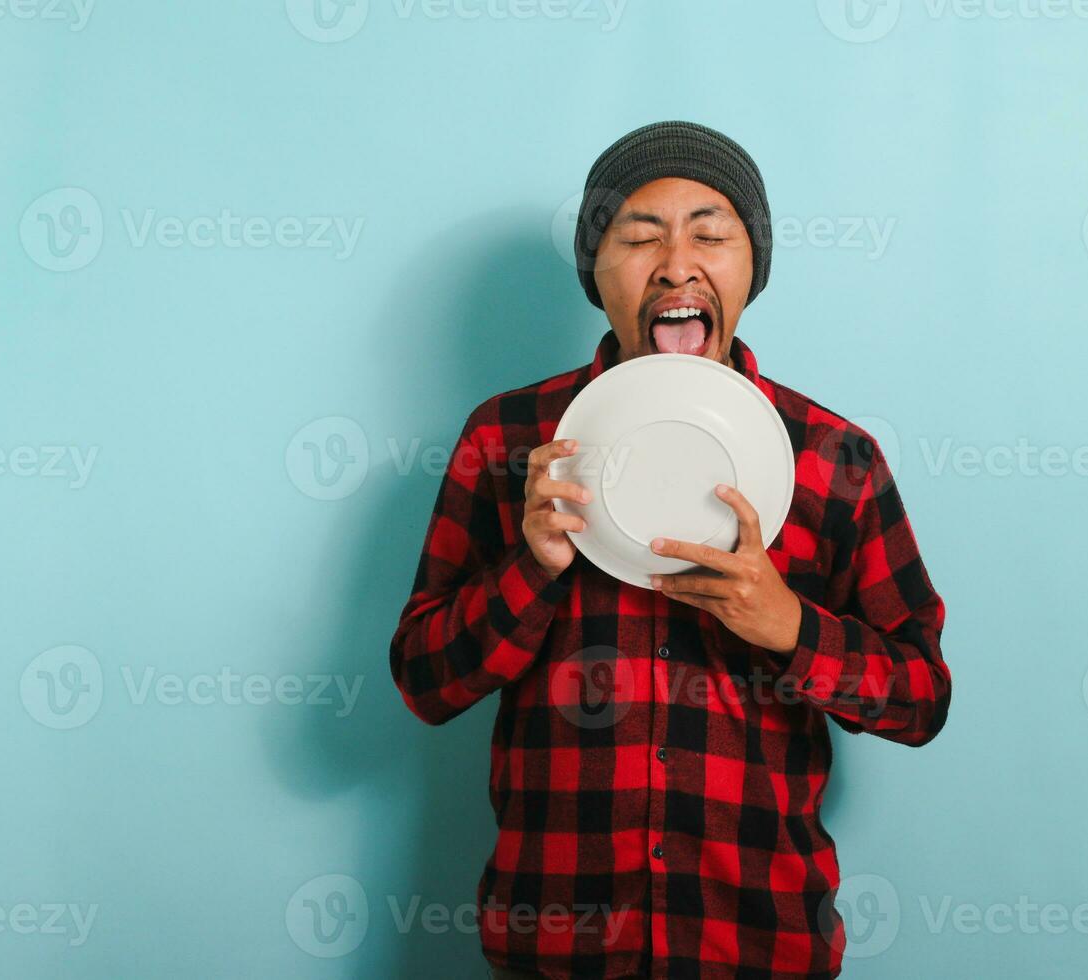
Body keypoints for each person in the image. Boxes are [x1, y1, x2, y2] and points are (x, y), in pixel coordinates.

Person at [389, 120, 952, 980]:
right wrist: (530, 568)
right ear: (596, 273)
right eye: (639, 237)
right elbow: (424, 684)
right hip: (556, 948)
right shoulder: (507, 441)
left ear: (751, 267)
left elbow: (920, 700)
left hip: (760, 940)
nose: (677, 265)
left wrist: (790, 626)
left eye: (711, 234)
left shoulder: (835, 458)